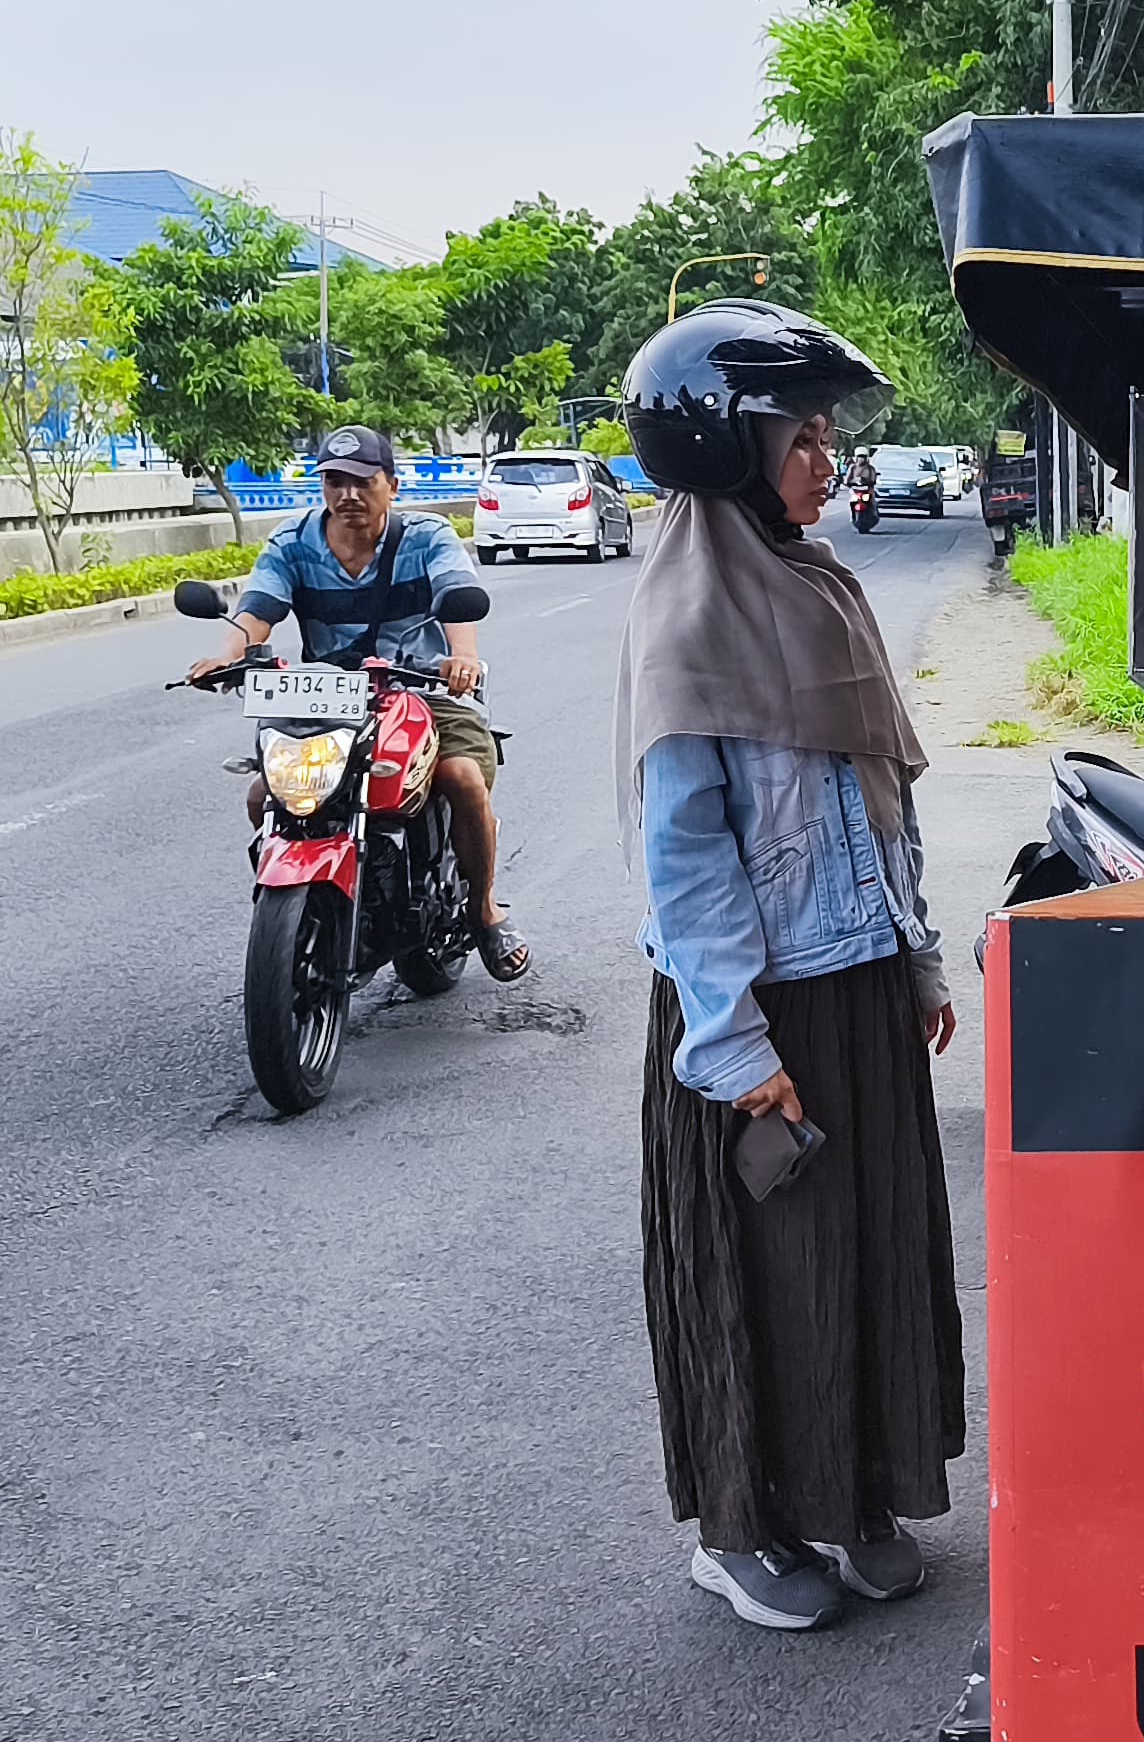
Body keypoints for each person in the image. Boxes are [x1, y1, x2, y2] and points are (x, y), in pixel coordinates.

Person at [613, 300, 961, 1631]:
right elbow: (684, 858)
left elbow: (882, 807)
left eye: (828, 435)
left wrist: (916, 963)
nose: (828, 460)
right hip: (754, 1009)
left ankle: (856, 1492)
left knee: (865, 1251)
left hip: (856, 978)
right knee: (767, 1271)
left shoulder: (823, 590)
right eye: (804, 436)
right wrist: (736, 1047)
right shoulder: (691, 621)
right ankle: (745, 1527)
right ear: (729, 447)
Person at [183, 425, 531, 982]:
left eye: (362, 481)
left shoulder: (427, 536)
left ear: (391, 485)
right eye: (335, 481)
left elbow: (455, 600)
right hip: (330, 699)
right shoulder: (293, 543)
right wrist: (225, 656)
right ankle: (321, 908)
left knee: (463, 777)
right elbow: (256, 612)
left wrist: (461, 658)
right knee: (264, 794)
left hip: (421, 690)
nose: (348, 494)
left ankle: (484, 910)